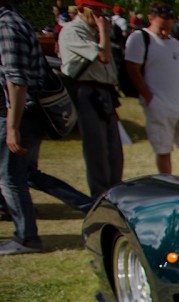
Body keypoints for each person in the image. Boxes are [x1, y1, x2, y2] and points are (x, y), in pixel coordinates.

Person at [124, 3, 179, 180]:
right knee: (163, 150)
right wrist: (150, 98)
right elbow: (132, 70)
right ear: (151, 19)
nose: (164, 32)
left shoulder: (175, 44)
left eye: (168, 28)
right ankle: (168, 185)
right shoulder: (140, 38)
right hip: (158, 104)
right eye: (161, 27)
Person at [57, 0, 123, 196]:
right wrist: (104, 31)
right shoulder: (72, 31)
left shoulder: (96, 31)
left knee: (114, 150)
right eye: (94, 10)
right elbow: (103, 57)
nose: (99, 15)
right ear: (80, 9)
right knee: (97, 148)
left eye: (101, 10)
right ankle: (100, 195)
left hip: (105, 91)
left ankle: (115, 193)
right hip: (86, 91)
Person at [0, 0, 51, 253]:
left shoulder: (6, 26)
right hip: (21, 114)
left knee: (11, 179)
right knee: (21, 176)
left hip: (16, 115)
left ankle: (27, 238)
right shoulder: (15, 21)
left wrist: (12, 126)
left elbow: (17, 80)